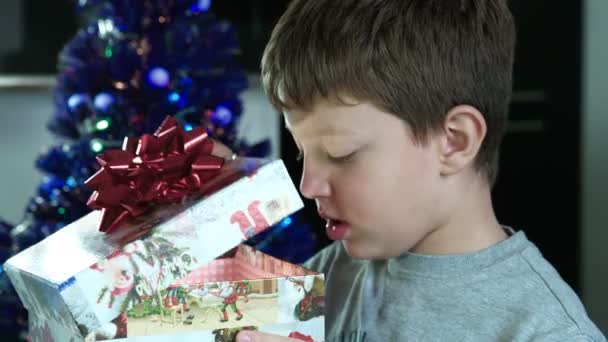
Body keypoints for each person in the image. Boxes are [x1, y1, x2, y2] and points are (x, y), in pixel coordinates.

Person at [227, 0, 606, 341]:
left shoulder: (545, 331)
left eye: (341, 154)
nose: (308, 186)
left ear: (454, 141)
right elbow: (188, 321)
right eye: (301, 154)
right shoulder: (335, 275)